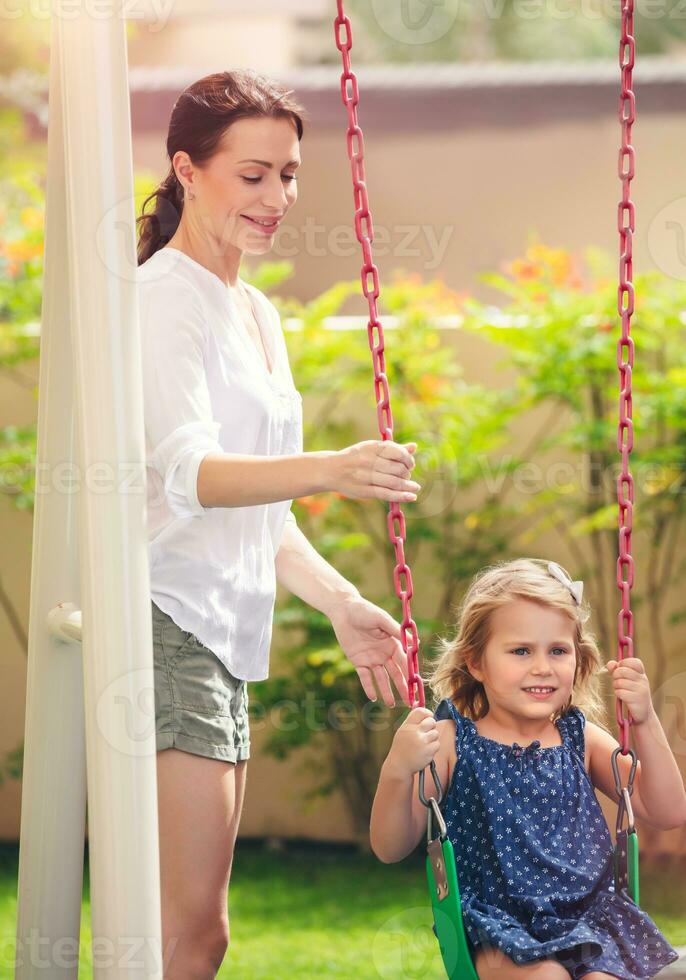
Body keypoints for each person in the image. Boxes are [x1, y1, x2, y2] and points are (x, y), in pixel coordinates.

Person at [136, 69, 421, 979]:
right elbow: (192, 474)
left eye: (289, 175)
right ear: (188, 169)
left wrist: (341, 603)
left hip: (221, 633)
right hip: (164, 618)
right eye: (252, 175)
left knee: (188, 929)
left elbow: (261, 504)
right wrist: (336, 468)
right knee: (192, 929)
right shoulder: (159, 301)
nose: (277, 197)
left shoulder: (256, 312)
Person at [370, 558, 686, 979]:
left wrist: (645, 721)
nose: (542, 667)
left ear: (578, 658)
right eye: (521, 651)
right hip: (500, 926)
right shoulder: (449, 741)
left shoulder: (581, 738)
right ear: (476, 662)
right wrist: (397, 770)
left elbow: (667, 811)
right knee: (546, 976)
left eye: (558, 650)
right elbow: (389, 847)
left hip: (589, 919)